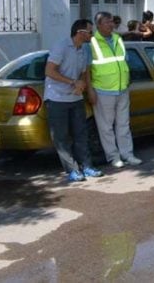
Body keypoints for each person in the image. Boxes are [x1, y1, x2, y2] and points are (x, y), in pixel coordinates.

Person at [44, 19, 104, 182]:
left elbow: (84, 73)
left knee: (81, 133)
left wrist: (86, 87)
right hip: (56, 98)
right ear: (80, 33)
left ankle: (87, 166)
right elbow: (49, 71)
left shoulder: (84, 50)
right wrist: (72, 82)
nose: (92, 35)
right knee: (61, 137)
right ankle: (72, 169)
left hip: (75, 97)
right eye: (90, 32)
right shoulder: (61, 46)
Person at [87, 11, 142, 168]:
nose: (111, 25)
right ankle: (113, 157)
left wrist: (127, 78)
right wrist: (91, 90)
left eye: (112, 21)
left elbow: (125, 61)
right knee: (106, 127)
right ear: (98, 25)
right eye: (107, 22)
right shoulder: (92, 43)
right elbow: (87, 70)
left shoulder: (118, 39)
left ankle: (127, 154)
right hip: (103, 90)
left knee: (124, 125)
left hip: (122, 89)